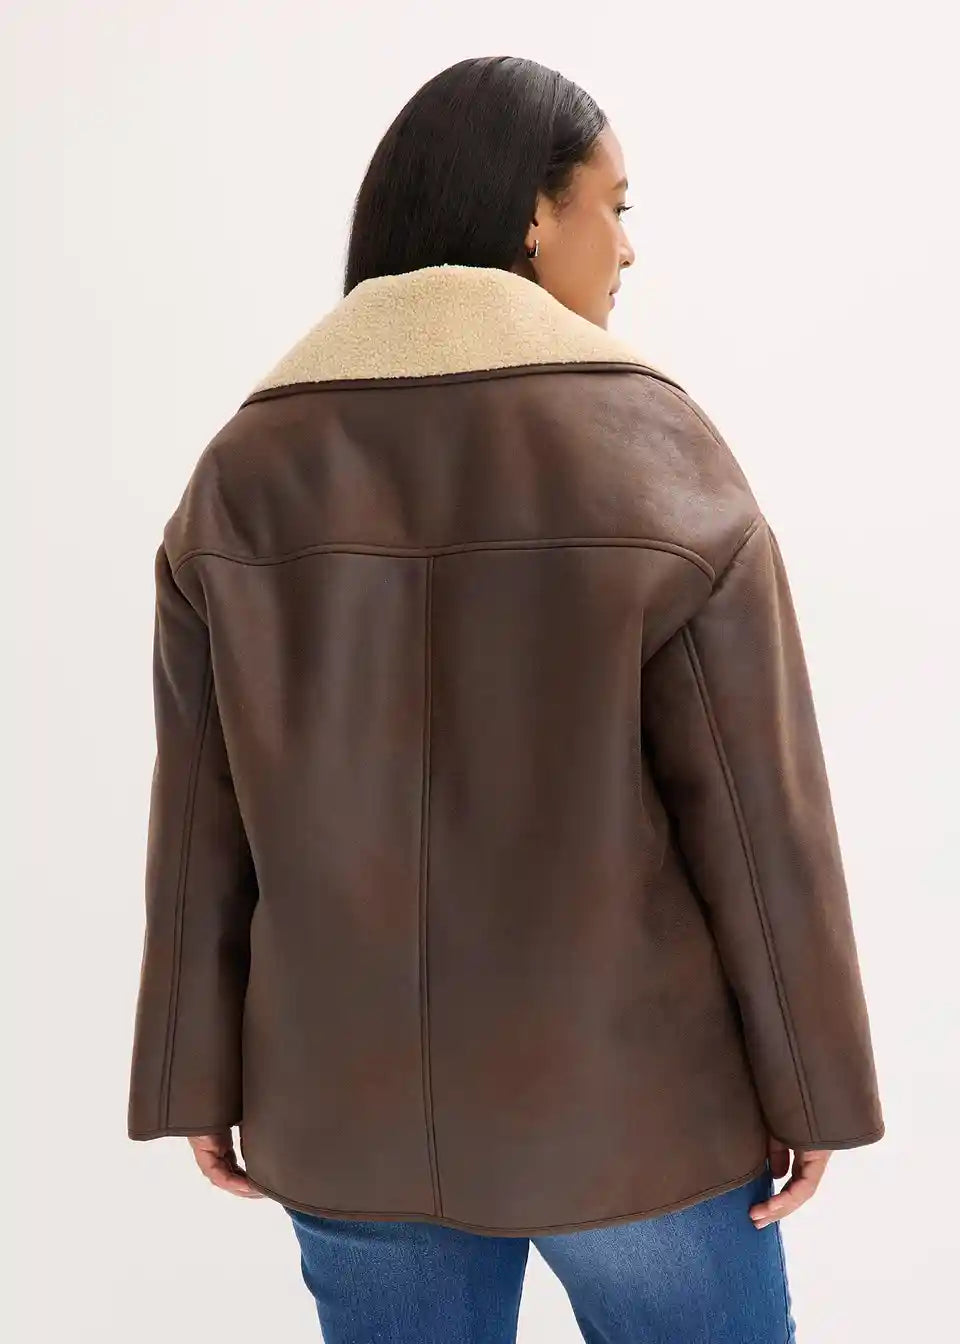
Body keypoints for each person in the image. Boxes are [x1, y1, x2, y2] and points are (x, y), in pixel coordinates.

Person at [126, 55, 885, 1343]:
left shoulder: (242, 467)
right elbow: (759, 813)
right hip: (633, 1117)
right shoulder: (652, 446)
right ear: (534, 213)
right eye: (615, 206)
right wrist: (813, 1087)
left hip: (345, 1110)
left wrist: (195, 1070)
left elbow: (203, 812)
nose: (628, 248)